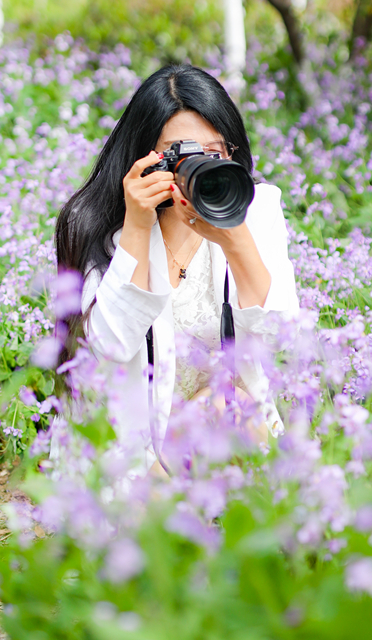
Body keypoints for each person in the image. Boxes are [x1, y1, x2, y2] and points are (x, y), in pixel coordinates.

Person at [55, 64, 299, 470]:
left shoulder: (257, 209)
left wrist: (236, 241)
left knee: (238, 411)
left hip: (220, 428)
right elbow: (108, 351)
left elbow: (283, 342)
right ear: (144, 159)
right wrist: (137, 223)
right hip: (130, 435)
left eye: (215, 153)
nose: (201, 168)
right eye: (180, 155)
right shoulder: (103, 227)